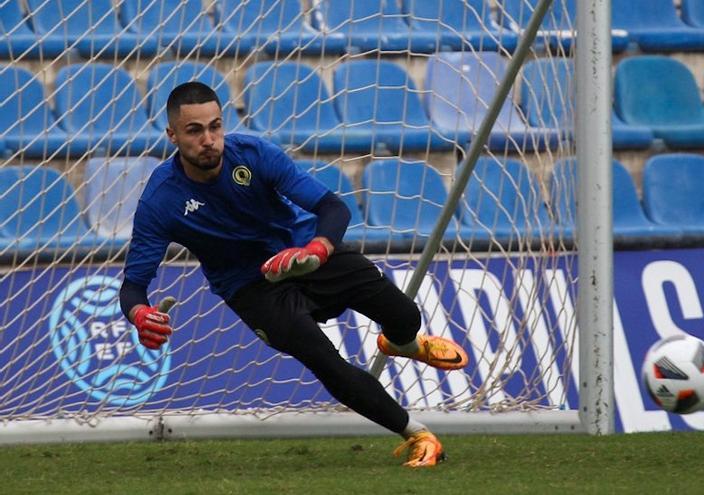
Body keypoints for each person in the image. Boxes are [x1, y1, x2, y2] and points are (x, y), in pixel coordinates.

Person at [119, 81, 469, 468]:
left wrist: (316, 250)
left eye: (215, 126)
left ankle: (403, 344)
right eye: (194, 130)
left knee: (405, 316)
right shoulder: (159, 201)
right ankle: (417, 434)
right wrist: (139, 315)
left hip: (303, 253)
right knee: (325, 360)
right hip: (251, 288)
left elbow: (333, 208)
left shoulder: (253, 154)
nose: (209, 139)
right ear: (172, 135)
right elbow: (134, 285)